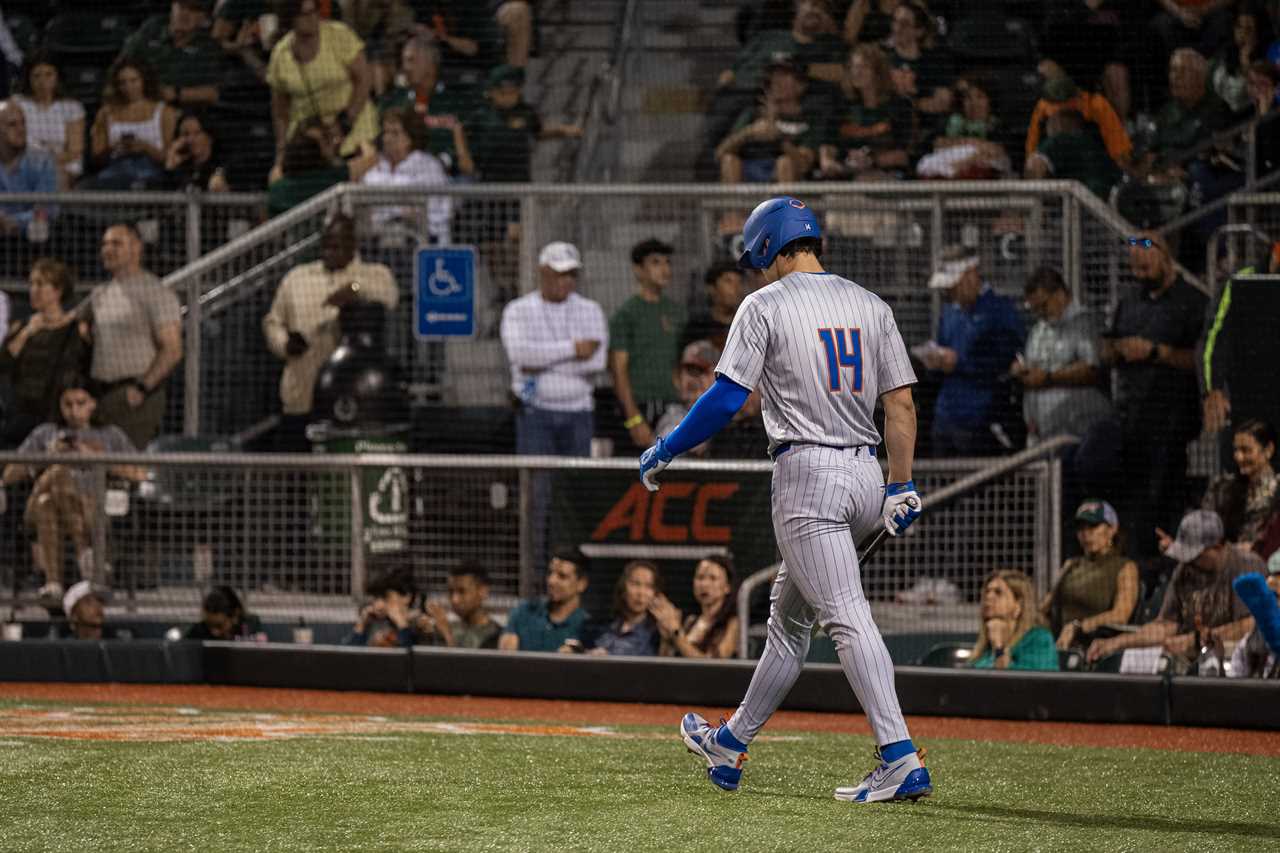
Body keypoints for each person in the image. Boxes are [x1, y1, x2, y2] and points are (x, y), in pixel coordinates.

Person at [641, 196, 930, 802]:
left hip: (807, 473)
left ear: (770, 245)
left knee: (845, 615)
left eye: (756, 256)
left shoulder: (763, 304)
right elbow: (900, 404)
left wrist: (667, 446)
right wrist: (900, 485)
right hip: (866, 473)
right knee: (789, 619)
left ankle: (899, 754)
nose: (754, 268)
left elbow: (724, 399)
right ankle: (731, 741)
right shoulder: (871, 304)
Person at [1100, 231, 1206, 556]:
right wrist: (1118, 350)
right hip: (1130, 418)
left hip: (1172, 419)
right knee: (1130, 500)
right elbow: (1106, 347)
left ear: (1166, 256)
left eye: (1147, 258)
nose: (1140, 267)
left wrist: (1155, 352)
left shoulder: (1193, 301)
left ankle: (1165, 569)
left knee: (1163, 500)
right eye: (1135, 266)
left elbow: (1200, 359)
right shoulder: (1129, 301)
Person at [262, 213, 397, 451]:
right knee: (294, 466)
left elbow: (390, 296)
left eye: (337, 246)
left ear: (352, 245)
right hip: (301, 390)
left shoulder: (374, 274)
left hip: (350, 394)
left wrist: (355, 289)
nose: (329, 253)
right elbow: (273, 321)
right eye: (325, 245)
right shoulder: (297, 277)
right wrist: (284, 343)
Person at [1, 383, 147, 602]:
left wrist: (97, 458)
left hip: (93, 510)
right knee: (59, 470)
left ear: (93, 405)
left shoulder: (109, 435)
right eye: (67, 404)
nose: (73, 410)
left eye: (81, 403)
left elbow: (140, 474)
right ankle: (84, 554)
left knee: (46, 503)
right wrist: (47, 457)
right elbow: (9, 473)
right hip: (36, 511)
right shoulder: (46, 433)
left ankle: (53, 584)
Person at [1086, 509, 1264, 669]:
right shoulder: (1185, 569)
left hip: (1236, 665)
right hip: (1188, 664)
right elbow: (1166, 626)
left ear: (1217, 547)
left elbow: (1251, 625)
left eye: (1195, 555)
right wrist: (1116, 643)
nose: (1188, 562)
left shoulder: (1246, 565)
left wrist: (1194, 640)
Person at [499, 241, 606, 458]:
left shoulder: (590, 310)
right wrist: (573, 349)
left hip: (579, 412)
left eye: (571, 274)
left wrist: (539, 363)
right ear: (543, 272)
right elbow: (519, 355)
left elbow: (597, 362)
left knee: (576, 487)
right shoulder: (518, 310)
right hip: (534, 412)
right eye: (560, 273)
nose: (567, 280)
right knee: (538, 487)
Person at [81, 223, 184, 450]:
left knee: (126, 467)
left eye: (116, 243)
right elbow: (79, 328)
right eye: (104, 244)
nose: (108, 249)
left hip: (135, 396)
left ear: (137, 248)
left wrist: (141, 389)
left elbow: (173, 349)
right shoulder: (99, 294)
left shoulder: (155, 292)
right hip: (101, 396)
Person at [921, 246, 1025, 456]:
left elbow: (1004, 363)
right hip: (946, 417)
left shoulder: (1000, 311)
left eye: (953, 287)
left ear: (970, 276)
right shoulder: (950, 312)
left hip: (982, 417)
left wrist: (959, 363)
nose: (948, 293)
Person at [267, 0, 379, 166]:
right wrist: (282, 151)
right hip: (310, 140)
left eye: (314, 11)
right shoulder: (280, 55)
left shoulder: (339, 35)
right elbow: (280, 112)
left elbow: (364, 79)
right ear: (290, 18)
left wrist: (346, 121)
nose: (312, 18)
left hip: (354, 126)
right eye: (305, 14)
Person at [1010, 266, 1111, 445]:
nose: (1040, 314)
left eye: (1043, 306)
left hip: (1077, 437)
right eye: (1034, 309)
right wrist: (1022, 371)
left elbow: (1092, 369)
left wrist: (1049, 378)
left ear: (1060, 294)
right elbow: (1033, 365)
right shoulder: (1039, 329)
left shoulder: (1084, 324)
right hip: (1042, 437)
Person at [0, 259, 89, 447]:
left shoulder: (74, 329)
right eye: (32, 284)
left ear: (58, 290)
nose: (34, 290)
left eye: (40, 284)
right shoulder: (22, 327)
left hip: (55, 415)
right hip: (20, 413)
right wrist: (26, 333)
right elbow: (3, 364)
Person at [609, 238, 685, 450]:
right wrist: (633, 419)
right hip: (638, 409)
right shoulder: (626, 314)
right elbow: (618, 371)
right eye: (655, 262)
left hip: (673, 408)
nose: (665, 269)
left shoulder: (678, 313)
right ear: (638, 270)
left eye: (667, 262)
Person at [1040, 500, 1140, 653]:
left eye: (1093, 526)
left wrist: (1078, 626)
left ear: (1112, 529)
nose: (1086, 533)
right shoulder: (1071, 565)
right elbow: (1045, 606)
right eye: (1081, 528)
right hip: (1058, 645)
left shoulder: (1125, 567)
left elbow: (1121, 614)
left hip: (1097, 649)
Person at [376, 33, 475, 177]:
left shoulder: (458, 102)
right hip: (400, 176)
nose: (405, 67)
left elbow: (469, 149)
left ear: (430, 63)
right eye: (403, 61)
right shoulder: (394, 101)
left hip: (450, 178)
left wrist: (444, 161)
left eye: (411, 60)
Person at [716, 59, 822, 184]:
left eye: (784, 75)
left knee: (785, 163)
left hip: (785, 175)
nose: (776, 80)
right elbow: (720, 153)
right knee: (729, 160)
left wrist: (779, 138)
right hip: (748, 172)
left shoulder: (809, 119)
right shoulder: (753, 113)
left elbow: (804, 165)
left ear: (801, 85)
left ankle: (782, 204)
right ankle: (735, 204)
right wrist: (749, 132)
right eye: (773, 75)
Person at [816, 44, 912, 181]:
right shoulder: (839, 105)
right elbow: (827, 148)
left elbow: (903, 155)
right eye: (854, 67)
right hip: (845, 175)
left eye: (864, 67)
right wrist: (830, 163)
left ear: (878, 73)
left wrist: (871, 161)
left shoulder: (899, 106)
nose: (857, 72)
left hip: (887, 176)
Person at [361, 107, 452, 244]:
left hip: (422, 239)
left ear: (410, 138)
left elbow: (437, 214)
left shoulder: (428, 166)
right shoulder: (375, 165)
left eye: (395, 133)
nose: (387, 139)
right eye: (386, 132)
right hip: (375, 241)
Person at [83, 58, 178, 191]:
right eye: (123, 82)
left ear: (144, 80)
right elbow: (97, 157)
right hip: (114, 172)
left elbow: (170, 158)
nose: (128, 87)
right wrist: (114, 147)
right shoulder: (106, 113)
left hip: (152, 174)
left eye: (134, 81)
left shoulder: (165, 112)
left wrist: (145, 148)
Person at [119, 0, 227, 110]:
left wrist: (175, 93)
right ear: (172, 7)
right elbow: (121, 65)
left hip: (182, 112)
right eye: (181, 6)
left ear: (204, 19)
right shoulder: (152, 28)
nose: (184, 13)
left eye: (194, 10)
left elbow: (212, 94)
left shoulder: (208, 46)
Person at [266, 118, 377, 217]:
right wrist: (362, 142)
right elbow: (371, 158)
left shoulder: (278, 186)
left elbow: (276, 172)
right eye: (326, 140)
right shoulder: (330, 178)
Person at [1024, 76, 1133, 172]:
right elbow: (1031, 158)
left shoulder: (1096, 105)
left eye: (1066, 114)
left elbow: (1120, 155)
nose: (1061, 123)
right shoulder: (1043, 108)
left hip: (1094, 169)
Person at [11, 52, 85, 188]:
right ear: (29, 79)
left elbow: (74, 151)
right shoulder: (17, 104)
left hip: (62, 164)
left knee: (53, 176)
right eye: (36, 76)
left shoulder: (71, 107)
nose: (42, 81)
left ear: (57, 77)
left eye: (48, 75)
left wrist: (45, 162)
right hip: (23, 164)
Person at [1200, 420, 1278, 548]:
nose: (1238, 457)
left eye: (1246, 450)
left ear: (1268, 450)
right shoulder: (1222, 488)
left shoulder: (1277, 491)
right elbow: (1204, 529)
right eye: (1236, 450)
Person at [498, 547, 591, 652]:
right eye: (550, 573)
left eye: (562, 576)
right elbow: (506, 658)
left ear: (582, 584)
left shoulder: (586, 628)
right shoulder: (523, 613)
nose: (551, 581)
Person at [651, 554, 739, 659]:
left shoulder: (734, 623)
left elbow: (714, 665)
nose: (704, 584)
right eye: (700, 577)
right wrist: (667, 639)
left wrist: (676, 633)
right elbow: (665, 664)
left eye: (713, 578)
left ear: (727, 587)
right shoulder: (690, 622)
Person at [1024, 108, 1124, 200]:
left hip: (1083, 209)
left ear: (1059, 123)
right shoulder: (1096, 148)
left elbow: (1035, 168)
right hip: (1108, 207)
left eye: (1050, 120)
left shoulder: (1060, 140)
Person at [970, 570, 1059, 671]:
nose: (989, 597)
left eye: (998, 592)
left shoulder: (1039, 639)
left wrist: (999, 647)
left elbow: (1029, 682)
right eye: (987, 591)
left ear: (1019, 605)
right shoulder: (984, 645)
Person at [0, 99, 57, 244]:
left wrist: (12, 221)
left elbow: (46, 209)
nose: (21, 129)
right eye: (12, 124)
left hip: (31, 240)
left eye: (23, 123)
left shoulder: (42, 159)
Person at [417, 562, 502, 649]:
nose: (455, 600)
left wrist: (446, 634)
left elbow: (466, 662)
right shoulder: (451, 628)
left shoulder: (497, 636)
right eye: (451, 592)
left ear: (483, 591)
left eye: (462, 591)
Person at [587, 560, 663, 657]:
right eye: (635, 584)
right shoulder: (601, 627)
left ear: (655, 593)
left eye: (649, 586)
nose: (641, 593)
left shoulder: (657, 634)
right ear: (623, 588)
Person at [344, 569, 420, 647]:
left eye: (385, 598)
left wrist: (402, 624)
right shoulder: (373, 623)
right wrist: (361, 625)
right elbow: (346, 657)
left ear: (406, 597)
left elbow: (415, 656)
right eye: (375, 598)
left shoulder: (421, 624)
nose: (378, 605)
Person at [159, 110, 231, 192]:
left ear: (209, 137)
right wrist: (170, 166)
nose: (190, 140)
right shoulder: (180, 168)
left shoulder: (222, 166)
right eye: (186, 134)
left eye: (197, 133)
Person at [681, 260, 745, 352]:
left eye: (739, 282)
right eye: (728, 281)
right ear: (712, 288)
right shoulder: (698, 328)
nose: (736, 288)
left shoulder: (745, 324)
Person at [184, 585, 265, 640]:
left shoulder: (250, 626)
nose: (214, 632)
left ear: (235, 616)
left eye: (219, 626)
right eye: (209, 625)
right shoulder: (198, 632)